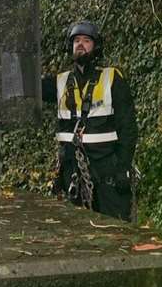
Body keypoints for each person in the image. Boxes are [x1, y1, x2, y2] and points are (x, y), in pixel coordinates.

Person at [40, 20, 137, 221]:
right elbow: (24, 85)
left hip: (106, 169)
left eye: (86, 40)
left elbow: (128, 127)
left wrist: (123, 167)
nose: (80, 44)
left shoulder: (111, 79)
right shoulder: (60, 82)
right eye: (76, 40)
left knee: (114, 228)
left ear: (96, 46)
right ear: (70, 46)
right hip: (72, 169)